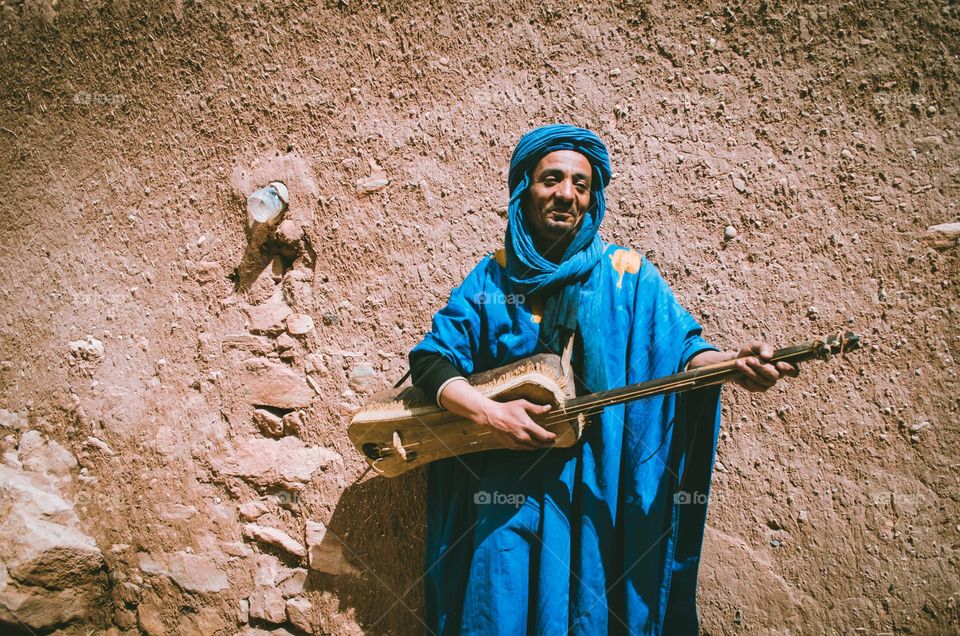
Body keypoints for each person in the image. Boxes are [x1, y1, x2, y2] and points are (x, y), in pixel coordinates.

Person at [408, 124, 797, 635]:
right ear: (524, 189)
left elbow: (681, 352)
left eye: (581, 184)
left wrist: (731, 364)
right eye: (551, 179)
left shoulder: (629, 276)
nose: (567, 193)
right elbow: (432, 360)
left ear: (593, 200)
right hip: (506, 502)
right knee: (499, 609)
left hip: (596, 492)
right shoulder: (493, 279)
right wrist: (490, 413)